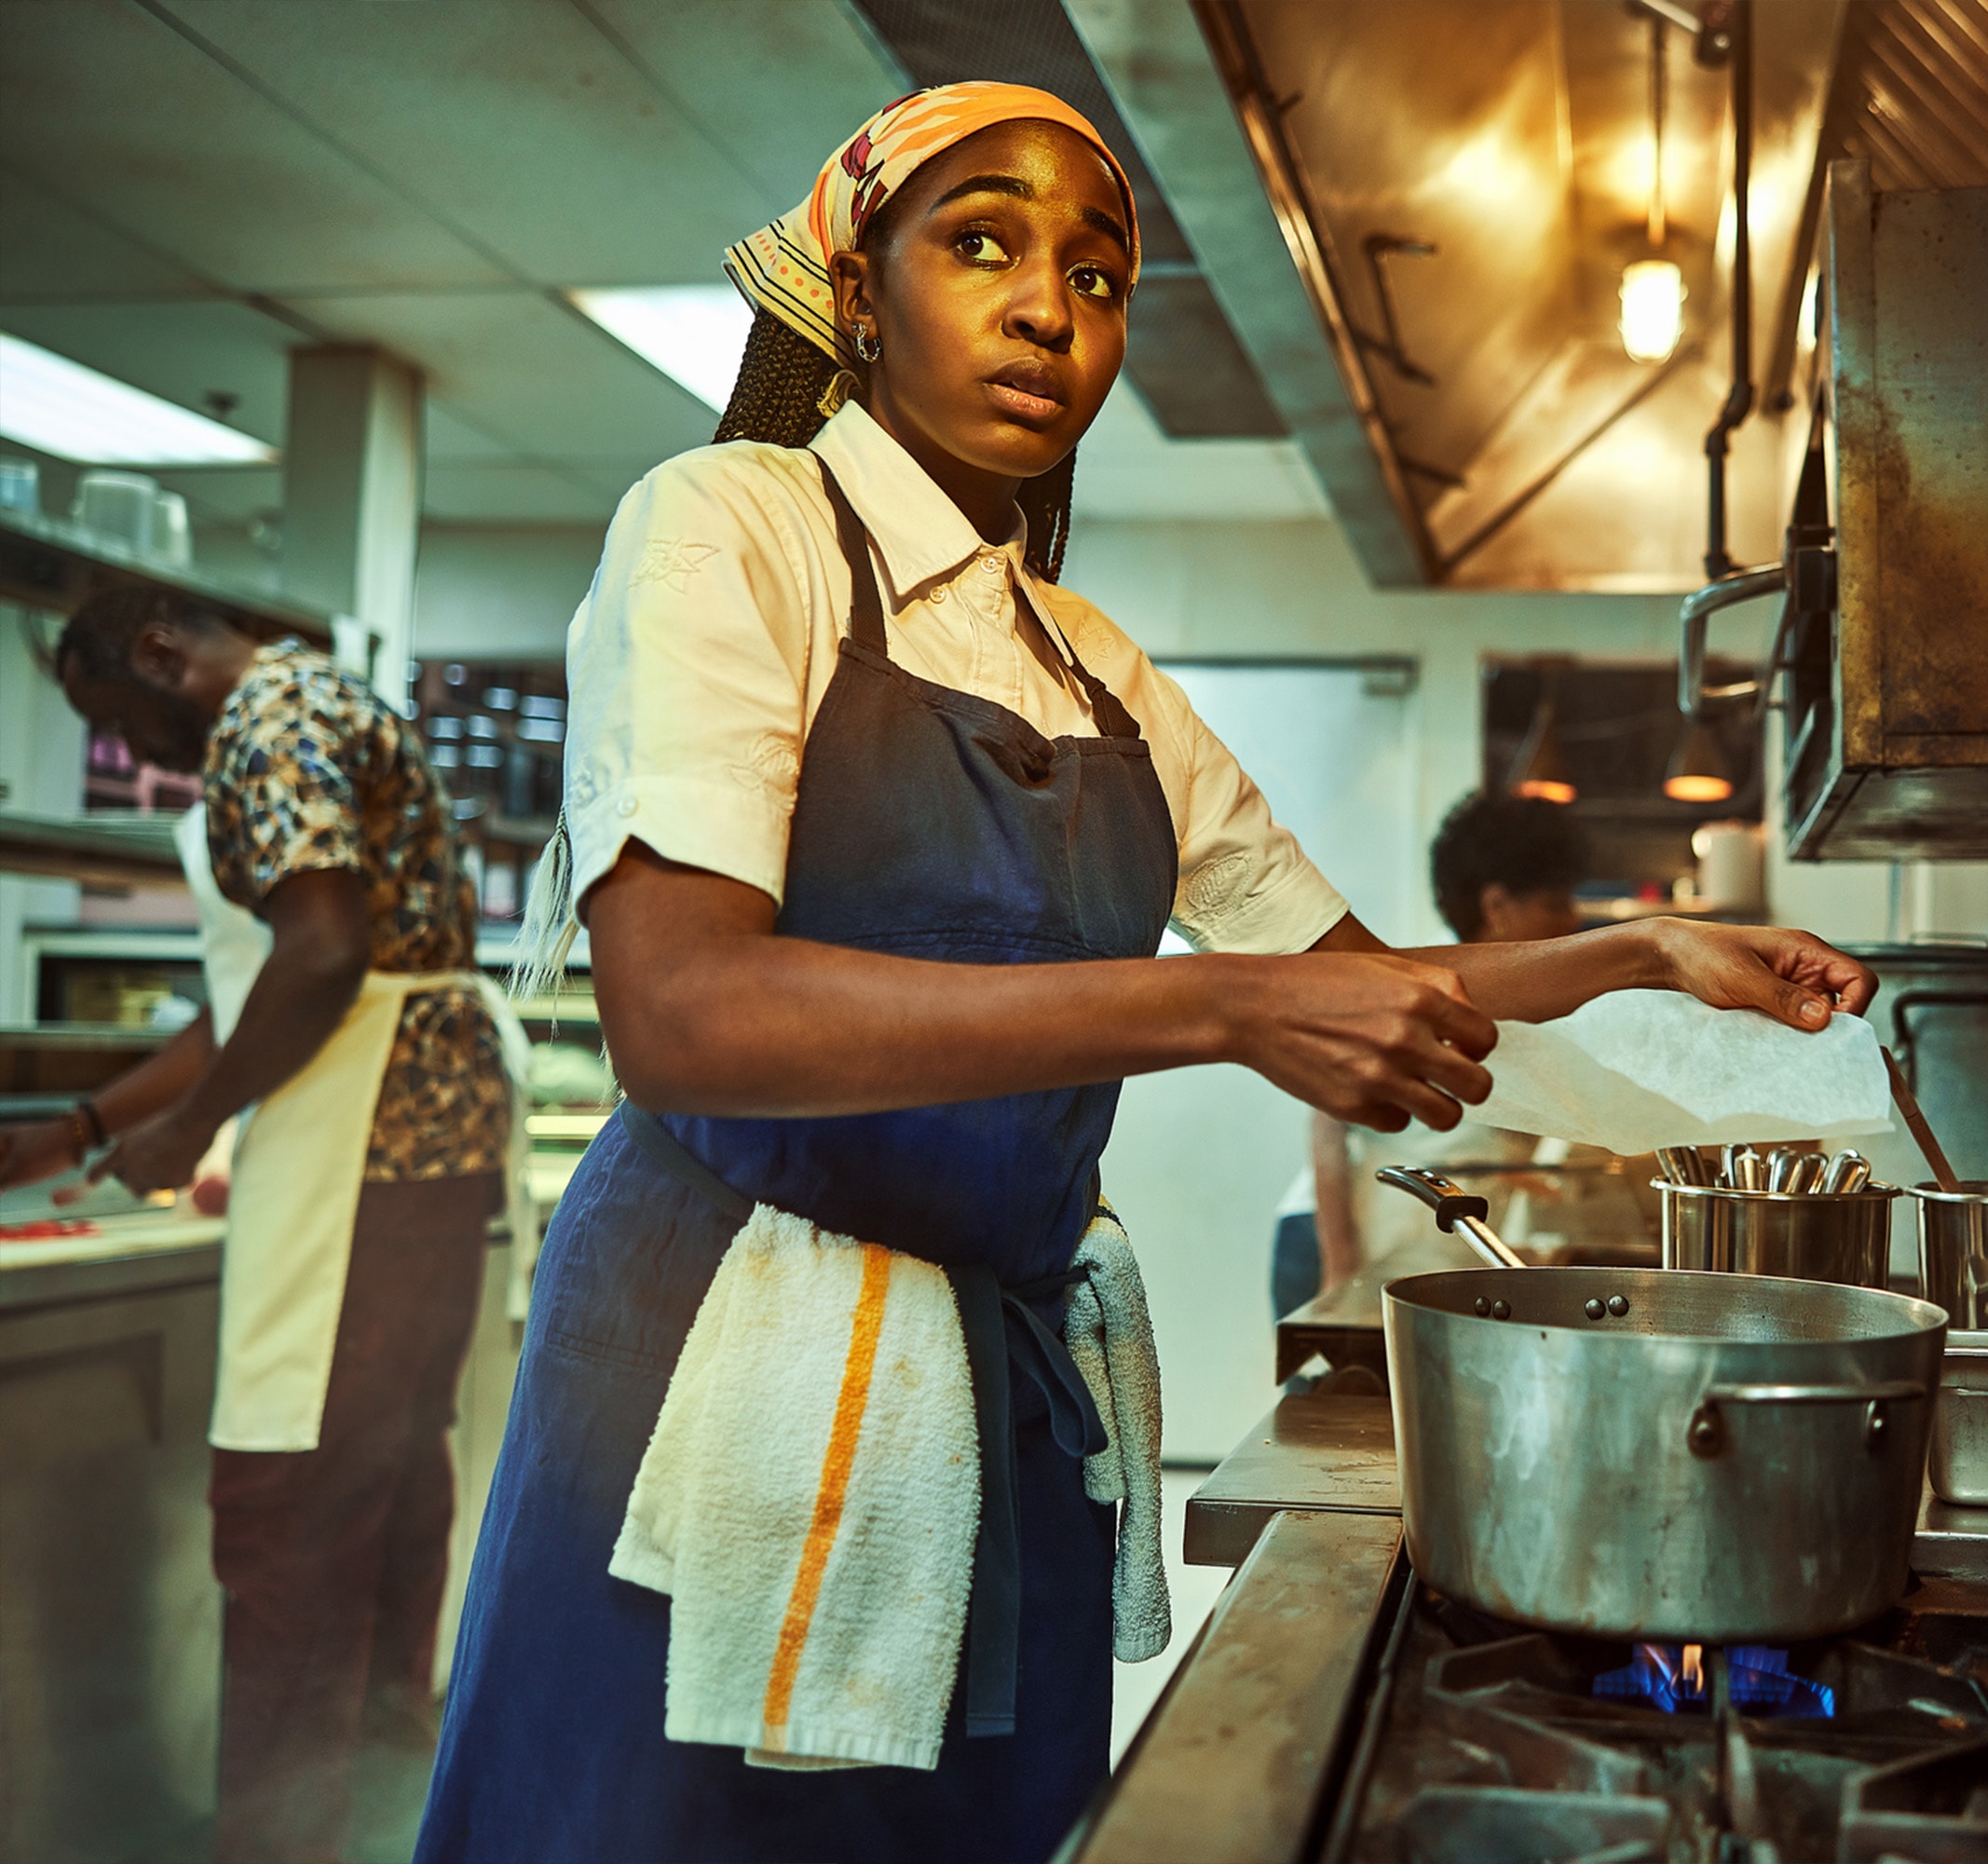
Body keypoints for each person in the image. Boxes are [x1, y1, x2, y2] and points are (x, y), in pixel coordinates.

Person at [414, 83, 1872, 1864]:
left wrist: (1640, 951)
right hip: (716, 1382)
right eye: (983, 246)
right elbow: (690, 1014)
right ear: (857, 293)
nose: (1051, 307)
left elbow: (1346, 975)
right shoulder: (732, 527)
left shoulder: (1089, 662)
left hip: (989, 1395)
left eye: (1099, 277)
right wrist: (1219, 1011)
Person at [0, 585, 517, 1864]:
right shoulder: (324, 696)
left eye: (110, 713)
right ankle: (389, 1820)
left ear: (161, 653)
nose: (129, 750)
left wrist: (183, 1138)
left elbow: (324, 953)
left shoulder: (263, 718)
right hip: (422, 1147)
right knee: (389, 1498)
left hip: (366, 1149)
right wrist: (85, 1127)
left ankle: (277, 1848)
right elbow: (258, 988)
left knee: (289, 1516)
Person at [1272, 790, 1582, 1319]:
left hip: (1412, 1246)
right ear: (1497, 907)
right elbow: (1327, 1121)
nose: (1573, 920)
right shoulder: (1423, 995)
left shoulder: (1523, 1006)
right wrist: (1341, 1267)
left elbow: (1464, 1128)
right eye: (1555, 904)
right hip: (1334, 1236)